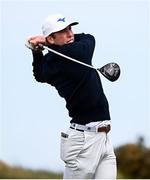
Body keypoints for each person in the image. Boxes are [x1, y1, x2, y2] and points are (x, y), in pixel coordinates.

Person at [26, 13, 117, 179]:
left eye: (70, 28)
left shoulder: (51, 62)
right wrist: (44, 43)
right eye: (63, 31)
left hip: (103, 138)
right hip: (83, 141)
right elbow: (89, 38)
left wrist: (37, 51)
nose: (71, 34)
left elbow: (39, 74)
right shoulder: (74, 54)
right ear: (51, 38)